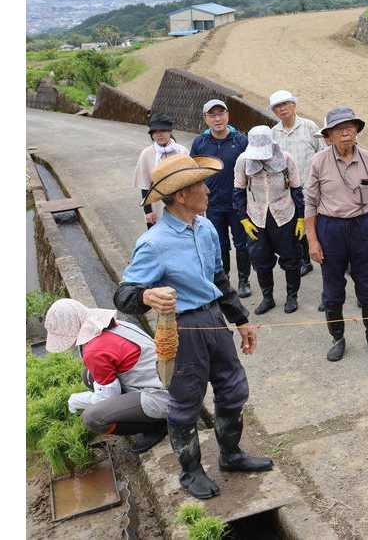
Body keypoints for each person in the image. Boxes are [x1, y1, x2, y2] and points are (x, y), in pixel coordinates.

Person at [114, 154, 272, 500]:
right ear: (181, 196)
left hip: (214, 319)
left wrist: (241, 320)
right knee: (185, 403)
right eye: (200, 185)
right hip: (183, 329)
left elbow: (219, 279)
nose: (207, 190)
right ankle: (191, 472)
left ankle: (231, 454)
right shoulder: (154, 243)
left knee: (233, 390)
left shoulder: (206, 228)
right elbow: (123, 296)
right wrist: (148, 296)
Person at [305, 107, 368, 362]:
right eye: (340, 129)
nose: (346, 132)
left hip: (363, 226)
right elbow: (309, 203)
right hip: (330, 229)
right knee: (332, 288)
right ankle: (337, 338)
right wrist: (313, 240)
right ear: (329, 135)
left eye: (350, 127)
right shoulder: (318, 161)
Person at [44, 299, 169, 454]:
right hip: (166, 380)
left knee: (92, 417)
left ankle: (157, 425)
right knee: (89, 376)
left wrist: (78, 400)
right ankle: (149, 416)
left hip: (163, 396)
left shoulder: (94, 350)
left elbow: (107, 398)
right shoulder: (115, 325)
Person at [234, 125, 305, 316]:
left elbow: (297, 190)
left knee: (291, 258)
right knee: (260, 259)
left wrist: (300, 218)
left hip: (284, 215)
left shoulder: (287, 158)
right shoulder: (243, 160)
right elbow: (238, 191)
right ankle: (268, 298)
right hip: (256, 217)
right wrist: (243, 219)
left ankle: (292, 296)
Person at [190, 99, 252, 298]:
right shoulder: (200, 142)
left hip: (238, 204)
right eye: (212, 115)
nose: (218, 119)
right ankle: (224, 279)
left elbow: (252, 170)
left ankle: (244, 280)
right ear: (206, 118)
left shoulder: (241, 140)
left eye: (221, 114)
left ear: (227, 115)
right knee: (220, 244)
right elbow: (194, 172)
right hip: (213, 203)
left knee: (242, 243)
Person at [269, 89, 323, 277]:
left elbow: (322, 153)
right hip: (288, 190)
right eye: (277, 107)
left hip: (312, 186)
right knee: (295, 226)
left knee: (320, 224)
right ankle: (304, 260)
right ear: (274, 111)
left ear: (294, 105)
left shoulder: (309, 127)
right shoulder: (273, 133)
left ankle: (330, 257)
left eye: (285, 104)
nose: (282, 109)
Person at [133, 115, 187, 229]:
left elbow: (191, 181)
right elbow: (144, 185)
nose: (159, 134)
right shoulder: (146, 154)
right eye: (155, 131)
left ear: (170, 131)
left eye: (163, 130)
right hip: (156, 205)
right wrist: (147, 212)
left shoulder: (182, 151)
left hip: (181, 204)